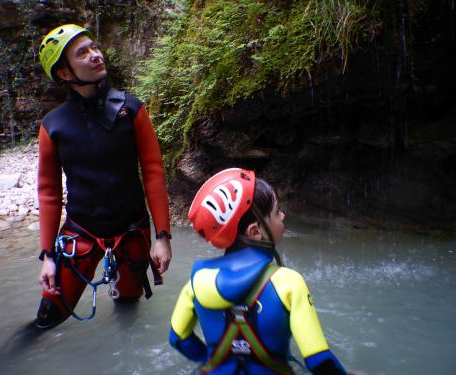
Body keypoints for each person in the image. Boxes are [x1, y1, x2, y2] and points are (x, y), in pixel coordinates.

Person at [35, 24, 172, 329]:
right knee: (46, 320)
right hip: (80, 235)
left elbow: (153, 173)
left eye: (95, 47)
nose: (96, 55)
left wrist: (162, 237)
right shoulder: (52, 126)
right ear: (65, 73)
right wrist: (47, 255)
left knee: (128, 308)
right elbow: (49, 192)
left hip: (132, 232)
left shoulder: (132, 109)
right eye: (82, 53)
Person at [168, 168, 350, 374]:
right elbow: (319, 360)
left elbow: (178, 339)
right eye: (276, 212)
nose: (283, 215)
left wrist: (209, 361)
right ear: (255, 231)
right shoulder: (290, 283)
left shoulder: (194, 285)